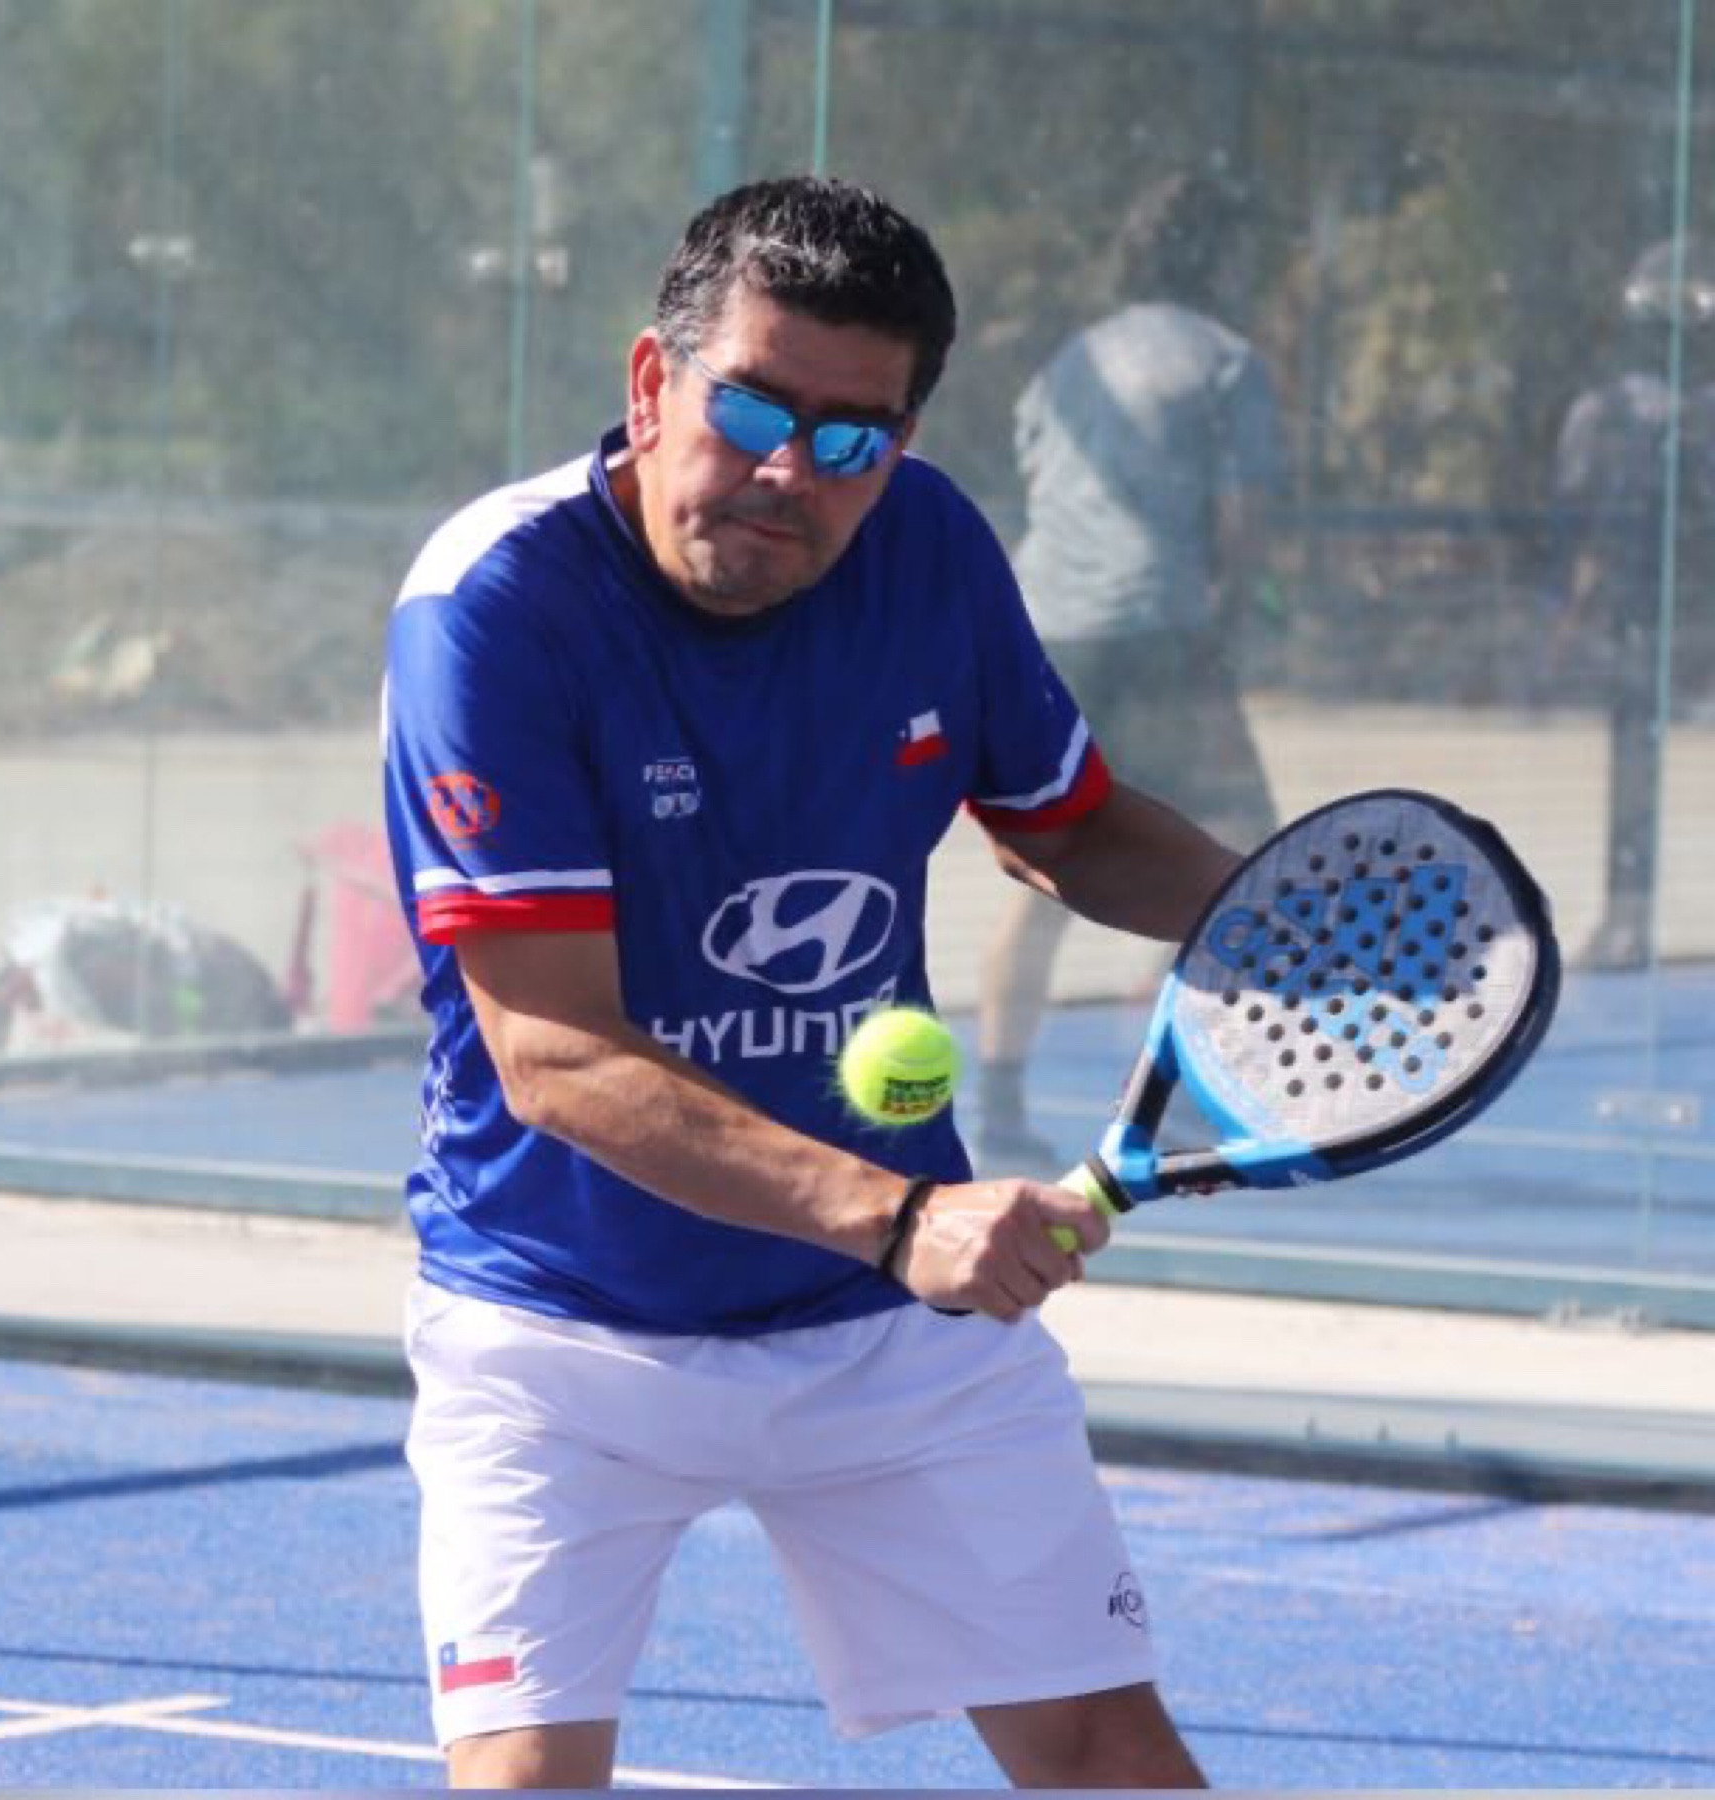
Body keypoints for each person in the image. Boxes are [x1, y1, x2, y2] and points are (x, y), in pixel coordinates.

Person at [381, 175, 1237, 1790]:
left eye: (854, 438)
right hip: (561, 1328)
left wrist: (1280, 918)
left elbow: (1068, 829)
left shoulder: (931, 550)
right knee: (523, 1781)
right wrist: (905, 1221)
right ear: (653, 382)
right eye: (756, 411)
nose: (792, 471)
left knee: (1103, 1751)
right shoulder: (493, 606)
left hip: (883, 1330)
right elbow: (554, 1053)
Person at [975, 170, 1286, 1167]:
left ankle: (1000, 1100)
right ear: (1221, 258)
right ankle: (1177, 1094)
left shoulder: (1066, 363)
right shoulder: (1227, 361)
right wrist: (1230, 617)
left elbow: (1047, 488)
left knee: (1047, 864)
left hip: (1048, 632)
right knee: (1237, 862)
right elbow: (1243, 522)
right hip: (1159, 631)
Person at [1550, 236, 1715, 969]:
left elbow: (1578, 531)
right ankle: (1625, 915)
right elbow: (1584, 533)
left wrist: (1570, 610)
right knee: (1633, 764)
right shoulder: (1602, 415)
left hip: (1651, 615)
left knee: (1634, 765)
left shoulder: (1600, 415)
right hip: (1647, 615)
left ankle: (1626, 917)